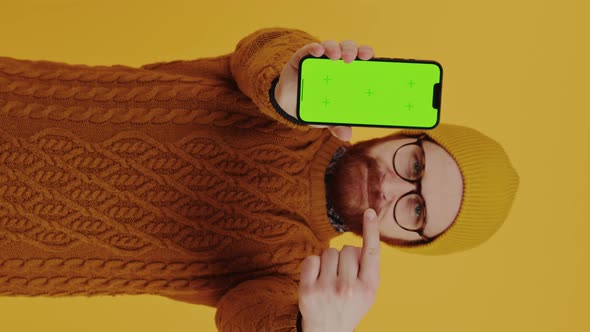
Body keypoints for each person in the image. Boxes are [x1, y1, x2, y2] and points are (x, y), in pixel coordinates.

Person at [0, 27, 519, 331]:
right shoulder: (291, 102)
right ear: (400, 134)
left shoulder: (296, 278)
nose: (392, 189)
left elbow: (245, 318)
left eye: (418, 210)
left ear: (403, 242)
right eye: (417, 166)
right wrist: (290, 86)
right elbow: (262, 53)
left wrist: (314, 330)